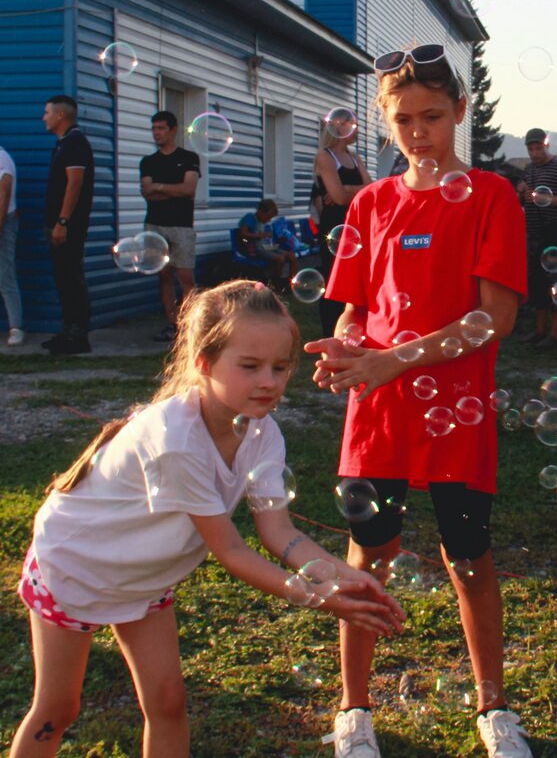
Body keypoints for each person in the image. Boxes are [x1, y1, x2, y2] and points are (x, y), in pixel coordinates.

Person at [8, 280, 405, 758]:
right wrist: (322, 598)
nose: (269, 382)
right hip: (77, 566)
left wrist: (350, 580)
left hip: (143, 576)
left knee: (169, 702)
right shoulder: (177, 439)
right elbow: (230, 550)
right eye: (250, 366)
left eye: (281, 368)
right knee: (57, 711)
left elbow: (279, 531)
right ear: (203, 363)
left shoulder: (261, 432)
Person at [304, 44, 534, 758]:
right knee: (369, 554)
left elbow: (491, 318)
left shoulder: (491, 195)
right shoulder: (372, 202)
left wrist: (386, 358)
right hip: (377, 410)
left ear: (461, 112)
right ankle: (355, 709)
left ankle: (494, 706)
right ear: (385, 121)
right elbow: (350, 309)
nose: (418, 133)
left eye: (432, 116)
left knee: (469, 552)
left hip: (454, 403)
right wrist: (347, 349)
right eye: (403, 120)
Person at [140, 111, 201, 343]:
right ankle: (172, 323)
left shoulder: (189, 158)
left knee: (185, 274)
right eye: (154, 129)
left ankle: (192, 323)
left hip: (182, 225)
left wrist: (160, 187)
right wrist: (169, 190)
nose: (157, 133)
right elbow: (147, 192)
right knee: (164, 275)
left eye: (161, 128)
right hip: (155, 224)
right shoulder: (148, 162)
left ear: (173, 130)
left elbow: (188, 190)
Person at [41, 95, 94, 355]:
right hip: (57, 224)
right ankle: (67, 332)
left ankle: (78, 336)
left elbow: (75, 183)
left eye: (47, 112)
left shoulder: (75, 142)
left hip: (68, 226)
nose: (44, 117)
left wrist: (63, 221)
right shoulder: (63, 143)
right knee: (63, 278)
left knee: (71, 276)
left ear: (60, 115)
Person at [314, 110, 371, 338]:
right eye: (352, 124)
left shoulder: (355, 158)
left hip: (356, 225)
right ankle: (331, 333)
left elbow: (370, 191)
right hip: (334, 228)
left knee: (356, 278)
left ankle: (352, 328)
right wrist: (348, 192)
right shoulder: (325, 156)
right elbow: (337, 198)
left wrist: (346, 189)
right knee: (333, 279)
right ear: (338, 127)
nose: (356, 128)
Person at [516, 127, 557, 349]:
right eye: (530, 149)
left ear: (546, 145)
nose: (534, 153)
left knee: (555, 280)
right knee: (536, 281)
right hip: (533, 231)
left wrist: (545, 200)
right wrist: (521, 192)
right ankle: (539, 331)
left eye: (538, 148)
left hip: (555, 230)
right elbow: (523, 199)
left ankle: (555, 334)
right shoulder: (528, 170)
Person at [237, 198, 299, 286]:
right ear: (261, 212)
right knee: (280, 259)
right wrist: (261, 235)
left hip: (266, 247)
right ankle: (276, 283)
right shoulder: (250, 218)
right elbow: (243, 234)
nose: (269, 220)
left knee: (292, 256)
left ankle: (293, 283)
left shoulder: (262, 221)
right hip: (256, 249)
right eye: (268, 217)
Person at [0, 142, 21, 345]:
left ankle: (16, 327)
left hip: (5, 222)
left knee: (5, 275)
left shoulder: (3, 159)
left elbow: (3, 195)